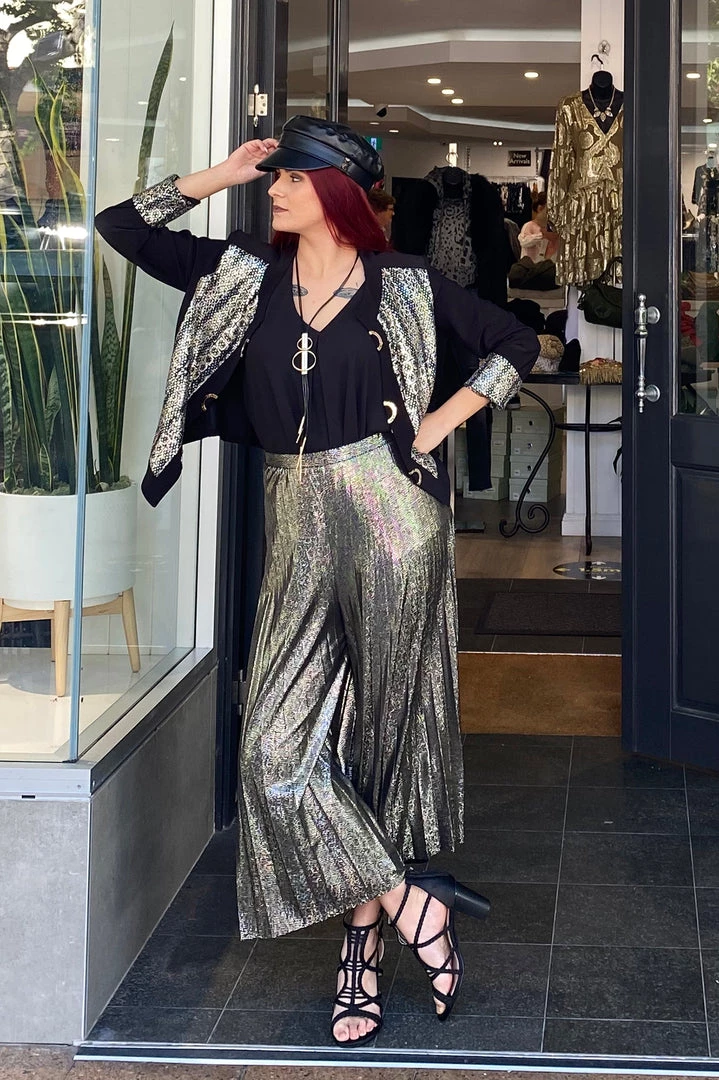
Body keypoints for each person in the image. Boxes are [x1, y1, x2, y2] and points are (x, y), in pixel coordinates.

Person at [95, 116, 539, 1048]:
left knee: (378, 740)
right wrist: (220, 174)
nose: (274, 189)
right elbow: (121, 226)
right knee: (272, 748)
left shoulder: (403, 282)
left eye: (288, 177)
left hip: (391, 514)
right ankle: (409, 897)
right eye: (274, 177)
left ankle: (360, 956)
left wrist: (434, 425)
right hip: (294, 510)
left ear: (333, 191)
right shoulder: (241, 275)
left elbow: (514, 343)